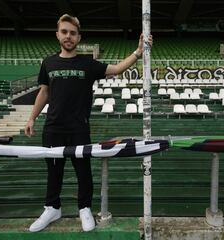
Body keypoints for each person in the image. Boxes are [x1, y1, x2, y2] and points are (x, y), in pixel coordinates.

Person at [24, 14, 152, 232]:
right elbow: (44, 92)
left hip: (78, 128)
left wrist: (138, 53)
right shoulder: (48, 63)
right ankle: (52, 208)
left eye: (72, 33)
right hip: (52, 128)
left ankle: (85, 208)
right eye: (64, 32)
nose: (68, 36)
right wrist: (32, 117)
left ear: (79, 37)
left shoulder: (87, 64)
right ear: (57, 35)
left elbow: (117, 69)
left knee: (83, 171)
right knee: (54, 172)